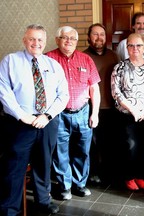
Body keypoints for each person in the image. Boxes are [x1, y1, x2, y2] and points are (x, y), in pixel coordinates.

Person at [0, 24, 69, 215]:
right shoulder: (10, 61)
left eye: (40, 39)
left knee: (44, 163)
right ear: (24, 40)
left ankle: (43, 201)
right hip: (20, 123)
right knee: (15, 167)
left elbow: (63, 95)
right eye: (32, 39)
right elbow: (4, 93)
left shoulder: (53, 65)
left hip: (47, 122)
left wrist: (46, 116)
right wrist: (24, 116)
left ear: (45, 41)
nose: (36, 43)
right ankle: (10, 208)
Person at [46, 26, 101, 200]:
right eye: (64, 37)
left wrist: (95, 113)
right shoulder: (48, 59)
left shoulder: (86, 59)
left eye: (72, 38)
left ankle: (80, 185)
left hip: (83, 113)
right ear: (57, 40)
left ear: (77, 41)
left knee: (82, 151)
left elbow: (94, 88)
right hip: (58, 114)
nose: (68, 41)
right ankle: (65, 187)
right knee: (60, 152)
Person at [111, 33, 144, 191]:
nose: (135, 48)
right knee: (130, 147)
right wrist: (133, 110)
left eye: (138, 45)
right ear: (126, 48)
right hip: (127, 115)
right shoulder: (119, 67)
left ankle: (140, 176)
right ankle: (129, 177)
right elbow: (116, 92)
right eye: (131, 45)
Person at [83, 23, 119, 184]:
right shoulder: (83, 57)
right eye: (95, 34)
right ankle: (94, 173)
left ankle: (109, 173)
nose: (99, 38)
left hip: (112, 108)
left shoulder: (114, 55)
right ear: (89, 38)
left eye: (102, 34)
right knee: (93, 144)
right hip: (92, 108)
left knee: (111, 142)